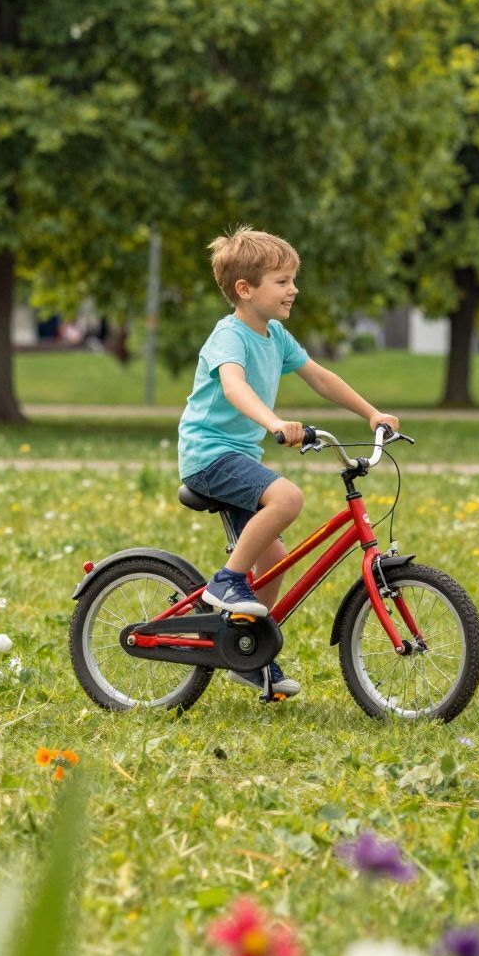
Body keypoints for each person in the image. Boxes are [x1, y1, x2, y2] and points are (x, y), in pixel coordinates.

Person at [182, 228, 400, 700]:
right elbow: (235, 387)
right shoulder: (230, 336)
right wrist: (274, 421)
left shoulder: (274, 334)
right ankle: (227, 583)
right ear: (246, 289)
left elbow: (320, 377)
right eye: (282, 281)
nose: (293, 289)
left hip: (236, 456)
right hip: (209, 454)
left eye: (292, 280)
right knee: (287, 497)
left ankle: (249, 652)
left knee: (276, 559)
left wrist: (371, 413)